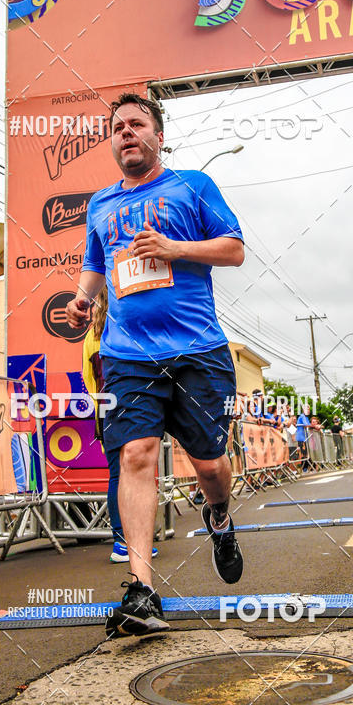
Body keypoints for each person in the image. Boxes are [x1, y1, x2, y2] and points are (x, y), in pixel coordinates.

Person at [65, 92, 245, 637]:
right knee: (137, 454)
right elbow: (94, 269)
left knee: (210, 464)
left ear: (157, 135)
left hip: (197, 349)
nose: (125, 133)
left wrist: (174, 248)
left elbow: (234, 249)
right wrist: (82, 301)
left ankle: (218, 516)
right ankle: (143, 591)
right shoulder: (99, 205)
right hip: (127, 355)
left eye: (136, 124)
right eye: (117, 127)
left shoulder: (193, 185)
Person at [82, 288, 158, 564]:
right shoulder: (128, 329)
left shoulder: (90, 338)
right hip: (136, 404)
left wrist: (101, 404)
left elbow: (88, 380)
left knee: (118, 474)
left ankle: (124, 541)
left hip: (106, 409)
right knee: (136, 473)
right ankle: (132, 542)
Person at [296, 406, 311, 472]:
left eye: (309, 409)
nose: (308, 410)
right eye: (306, 409)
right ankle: (304, 469)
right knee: (304, 454)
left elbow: (309, 425)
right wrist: (315, 426)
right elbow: (306, 425)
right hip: (301, 438)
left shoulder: (306, 417)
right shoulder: (302, 416)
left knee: (307, 453)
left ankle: (306, 468)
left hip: (305, 437)